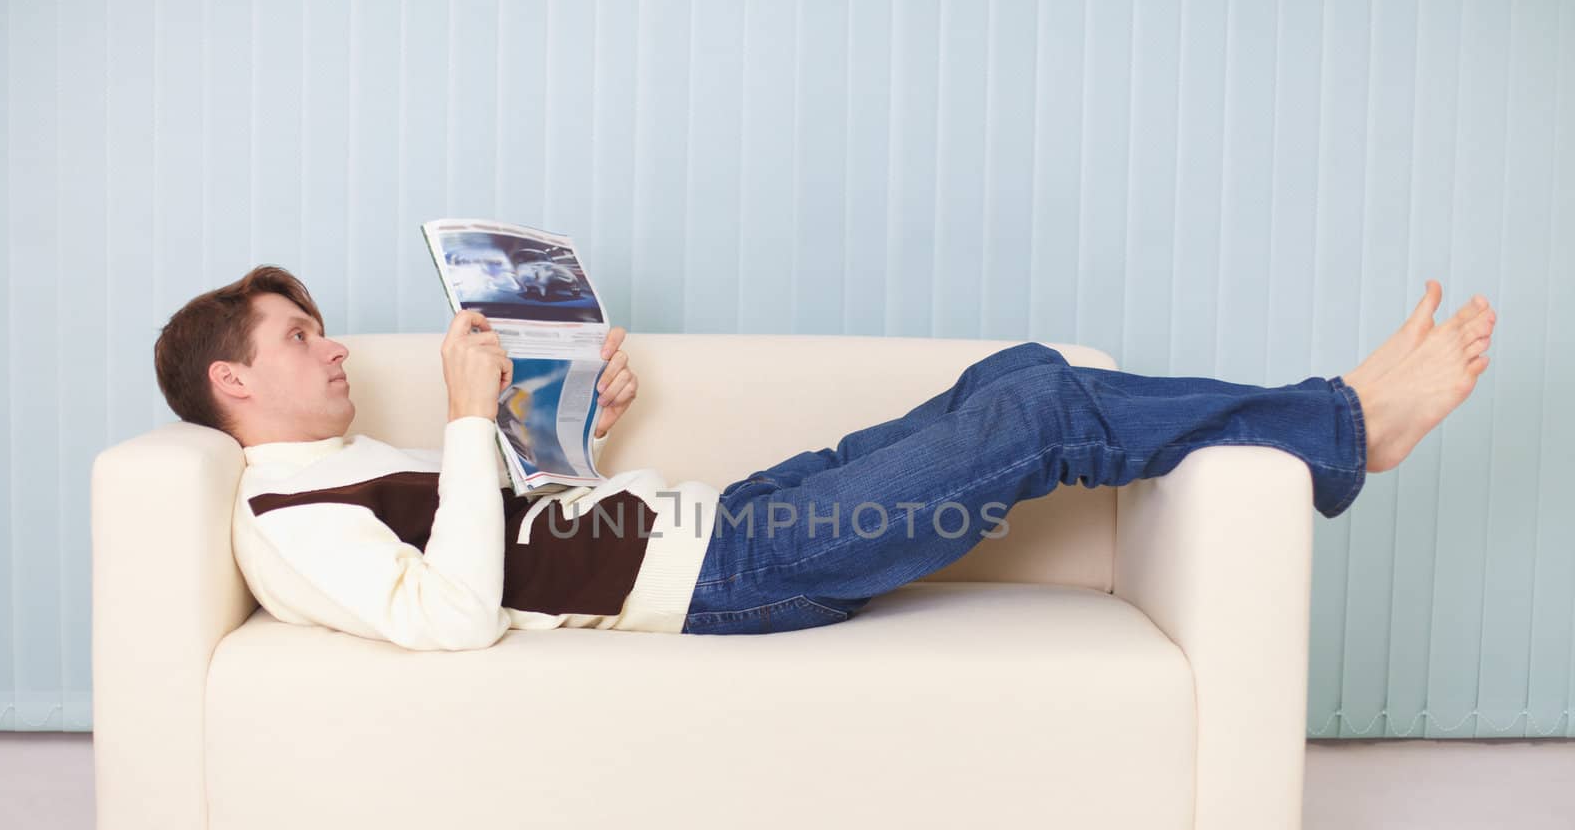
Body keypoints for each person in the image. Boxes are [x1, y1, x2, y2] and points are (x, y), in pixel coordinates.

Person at [153, 266, 1496, 648]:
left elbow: (509, 523)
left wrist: (564, 417)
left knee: (1021, 374)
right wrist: (458, 417)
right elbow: (452, 616)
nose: (331, 352)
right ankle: (1347, 426)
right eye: (300, 337)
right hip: (736, 577)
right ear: (233, 381)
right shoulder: (285, 519)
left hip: (718, 514)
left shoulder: (349, 454)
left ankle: (1336, 428)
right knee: (1035, 424)